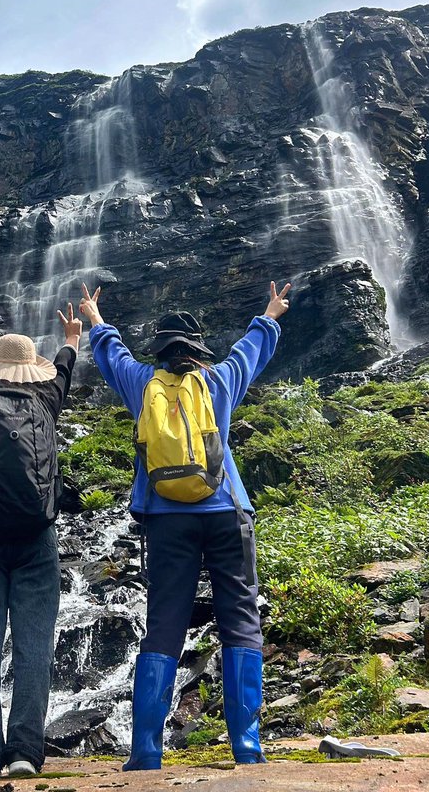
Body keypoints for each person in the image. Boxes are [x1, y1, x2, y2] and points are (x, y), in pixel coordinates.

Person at [78, 280, 291, 769]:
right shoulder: (220, 380)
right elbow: (250, 351)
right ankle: (247, 746)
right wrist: (270, 314)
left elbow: (112, 355)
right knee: (240, 619)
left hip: (166, 519)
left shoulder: (141, 383)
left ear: (159, 349)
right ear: (198, 349)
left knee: (164, 625)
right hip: (226, 513)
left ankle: (145, 752)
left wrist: (95, 319)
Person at [0, 297, 81, 781]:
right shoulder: (47, 397)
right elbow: (64, 365)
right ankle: (25, 752)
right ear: (31, 368)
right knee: (34, 647)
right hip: (37, 535)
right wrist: (72, 337)